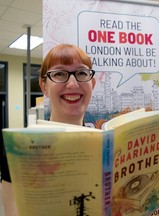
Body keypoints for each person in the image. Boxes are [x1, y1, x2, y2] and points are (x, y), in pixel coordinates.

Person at [1, 44, 96, 215]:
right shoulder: (19, 150)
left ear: (92, 83)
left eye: (82, 73)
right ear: (44, 86)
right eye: (59, 74)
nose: (73, 84)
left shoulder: (106, 147)